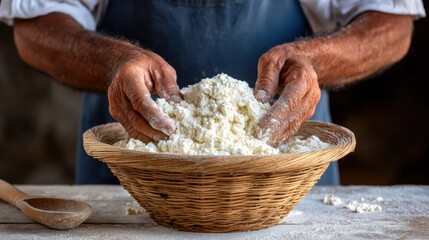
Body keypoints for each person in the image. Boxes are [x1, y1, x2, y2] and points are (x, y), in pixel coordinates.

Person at [0, 0, 425, 185]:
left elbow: (392, 24)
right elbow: (35, 27)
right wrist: (115, 62)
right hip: (133, 185)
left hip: (285, 189)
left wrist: (315, 60)